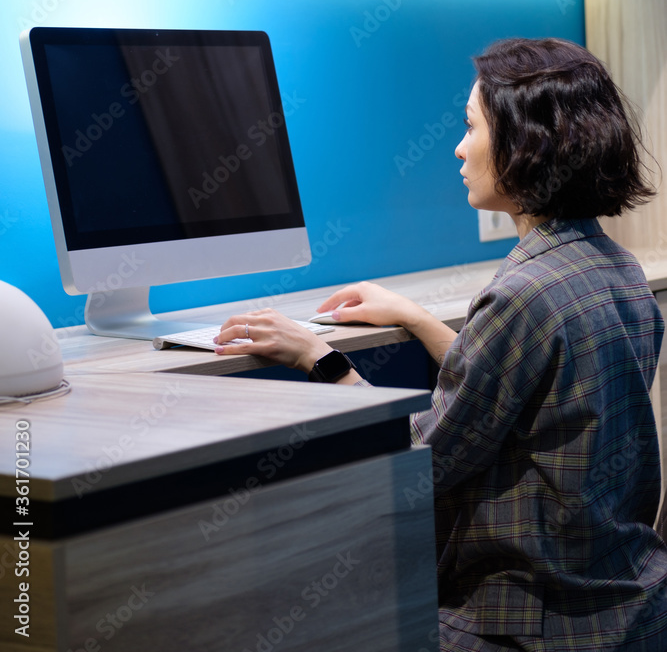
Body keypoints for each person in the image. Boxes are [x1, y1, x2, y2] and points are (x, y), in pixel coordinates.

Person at [215, 37, 667, 651]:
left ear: (525, 145)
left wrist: (316, 358)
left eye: (471, 126)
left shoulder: (522, 295)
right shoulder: (613, 268)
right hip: (627, 600)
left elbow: (418, 463)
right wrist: (421, 320)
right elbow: (525, 392)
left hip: (531, 618)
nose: (458, 147)